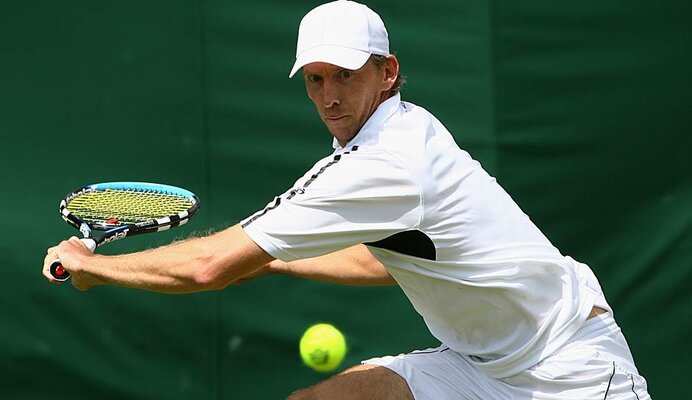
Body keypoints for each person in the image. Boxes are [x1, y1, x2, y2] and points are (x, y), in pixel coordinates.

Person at [43, 1, 651, 398]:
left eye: (345, 74)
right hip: (479, 365)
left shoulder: (386, 162)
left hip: (568, 371)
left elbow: (207, 266)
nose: (329, 96)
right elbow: (391, 258)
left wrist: (94, 266)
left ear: (387, 72)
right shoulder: (403, 128)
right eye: (315, 79)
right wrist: (274, 260)